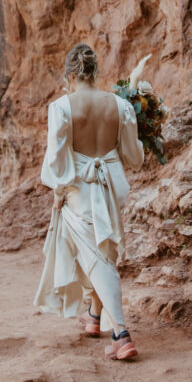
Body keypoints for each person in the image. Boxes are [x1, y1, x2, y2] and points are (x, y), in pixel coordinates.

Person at [34, 42, 143, 360]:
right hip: (110, 185)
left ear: (70, 73)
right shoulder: (119, 105)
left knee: (98, 258)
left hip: (81, 189)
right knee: (101, 248)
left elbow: (56, 161)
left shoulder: (62, 107)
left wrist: (58, 193)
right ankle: (94, 317)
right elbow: (132, 155)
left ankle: (121, 334)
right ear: (96, 72)